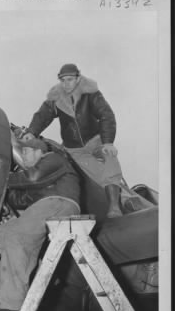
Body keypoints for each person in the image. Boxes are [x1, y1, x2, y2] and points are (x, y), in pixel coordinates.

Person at [0, 137, 86, 311]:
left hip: (61, 203)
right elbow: (20, 198)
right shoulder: (41, 179)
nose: (23, 156)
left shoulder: (53, 159)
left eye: (26, 151)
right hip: (48, 205)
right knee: (2, 233)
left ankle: (18, 309)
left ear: (39, 152)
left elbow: (32, 177)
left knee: (17, 237)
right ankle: (33, 273)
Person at [24, 63, 127, 218]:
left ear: (78, 79)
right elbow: (43, 115)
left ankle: (114, 207)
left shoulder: (91, 94)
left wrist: (107, 142)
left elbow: (107, 115)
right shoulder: (56, 97)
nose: (66, 84)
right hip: (74, 149)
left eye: (70, 79)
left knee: (110, 158)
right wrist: (32, 132)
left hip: (95, 141)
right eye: (63, 80)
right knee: (93, 176)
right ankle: (118, 200)